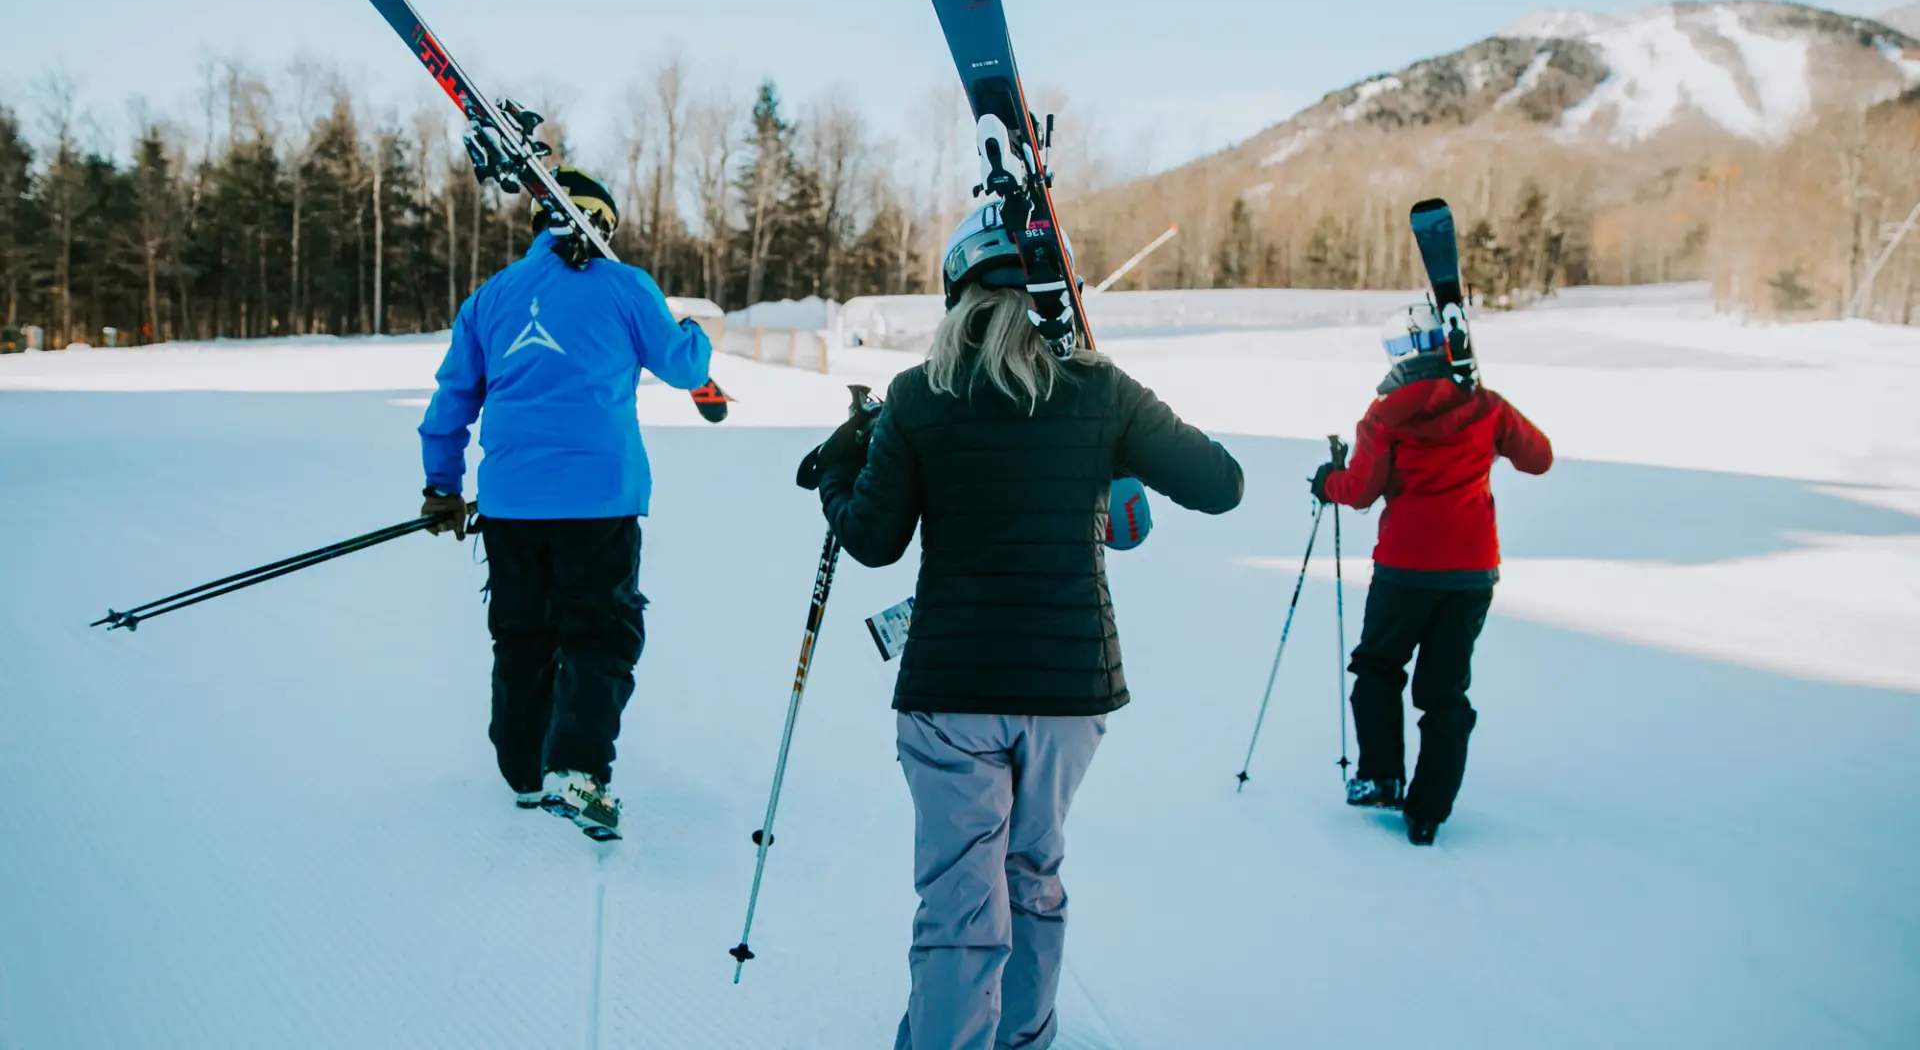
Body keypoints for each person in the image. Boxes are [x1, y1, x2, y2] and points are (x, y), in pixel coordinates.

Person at [808, 202, 1245, 1050]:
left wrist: (839, 468)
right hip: (1068, 692)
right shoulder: (1101, 390)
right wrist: (1114, 435)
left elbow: (872, 539)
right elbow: (1221, 483)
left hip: (951, 693)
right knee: (1032, 876)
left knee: (961, 902)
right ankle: (1021, 1039)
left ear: (955, 297)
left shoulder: (919, 396)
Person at [417, 167, 714, 842]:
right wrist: (695, 329)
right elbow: (684, 368)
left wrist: (442, 486)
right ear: (602, 224)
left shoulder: (491, 298)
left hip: (511, 506)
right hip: (599, 503)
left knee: (522, 634)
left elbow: (451, 401)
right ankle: (575, 770)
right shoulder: (624, 285)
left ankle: (524, 772)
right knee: (599, 632)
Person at [1312, 306, 1552, 846]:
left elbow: (1362, 490)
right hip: (1471, 572)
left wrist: (1328, 481)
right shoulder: (1485, 405)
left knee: (1377, 667)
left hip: (1405, 568)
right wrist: (1488, 422)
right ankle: (1429, 811)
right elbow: (1539, 459)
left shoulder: (1385, 414)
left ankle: (1380, 776)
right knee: (1444, 691)